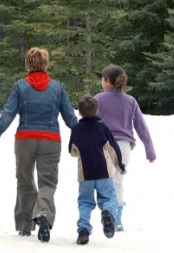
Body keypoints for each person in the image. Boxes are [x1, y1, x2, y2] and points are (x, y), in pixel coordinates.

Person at [0, 47, 78, 242]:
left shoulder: (20, 86)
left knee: (24, 180)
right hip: (51, 140)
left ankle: (25, 225)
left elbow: (8, 114)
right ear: (46, 64)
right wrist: (83, 135)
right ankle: (43, 212)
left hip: (25, 139)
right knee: (48, 182)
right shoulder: (58, 87)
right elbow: (70, 117)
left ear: (28, 64)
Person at [94, 64, 156, 231]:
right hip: (124, 147)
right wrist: (150, 150)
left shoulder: (98, 99)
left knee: (105, 180)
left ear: (107, 82)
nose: (102, 81)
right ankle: (117, 219)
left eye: (103, 78)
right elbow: (141, 126)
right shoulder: (131, 101)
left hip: (104, 145)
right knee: (118, 181)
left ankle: (109, 212)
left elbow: (89, 123)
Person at [69, 95, 126, 245]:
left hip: (84, 174)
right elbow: (113, 148)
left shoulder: (76, 129)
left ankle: (83, 231)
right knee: (108, 198)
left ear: (80, 112)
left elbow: (72, 151)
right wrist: (120, 166)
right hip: (104, 172)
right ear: (97, 110)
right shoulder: (102, 127)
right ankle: (108, 215)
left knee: (85, 202)